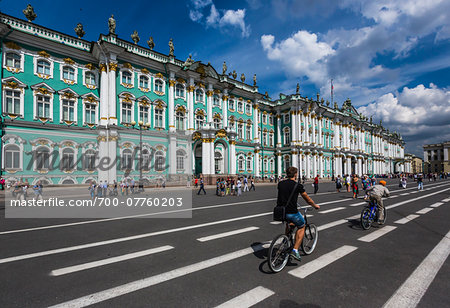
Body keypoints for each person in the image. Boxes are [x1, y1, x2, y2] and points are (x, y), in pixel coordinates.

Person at [277, 167, 320, 261]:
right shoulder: (298, 186)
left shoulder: (280, 184)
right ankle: (295, 250)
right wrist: (314, 205)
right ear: (295, 174)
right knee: (301, 226)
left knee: (290, 224)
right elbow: (307, 198)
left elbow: (283, 196)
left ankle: (286, 240)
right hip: (292, 212)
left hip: (281, 212)